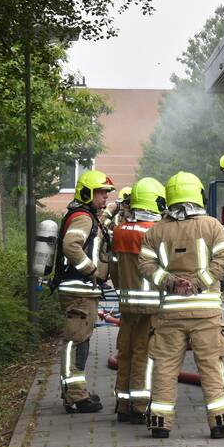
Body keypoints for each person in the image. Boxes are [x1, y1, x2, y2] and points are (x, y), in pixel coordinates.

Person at [138, 172, 224, 439]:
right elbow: (223, 262)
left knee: (165, 367)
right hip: (206, 313)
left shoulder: (156, 231)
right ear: (198, 194)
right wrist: (197, 283)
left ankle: (160, 422)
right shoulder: (213, 226)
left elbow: (145, 266)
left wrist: (171, 283)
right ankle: (222, 422)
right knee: (211, 366)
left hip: (170, 314)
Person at [56, 169, 115, 413]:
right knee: (76, 341)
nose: (105, 197)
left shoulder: (88, 215)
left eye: (106, 193)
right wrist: (91, 271)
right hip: (78, 288)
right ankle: (75, 397)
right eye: (101, 192)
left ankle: (77, 393)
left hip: (82, 290)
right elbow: (71, 246)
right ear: (87, 193)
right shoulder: (83, 217)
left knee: (81, 340)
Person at [111, 177, 166, 423]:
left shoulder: (120, 230)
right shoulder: (154, 233)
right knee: (145, 353)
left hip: (126, 303)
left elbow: (113, 268)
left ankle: (123, 403)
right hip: (151, 303)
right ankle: (140, 405)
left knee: (126, 351)